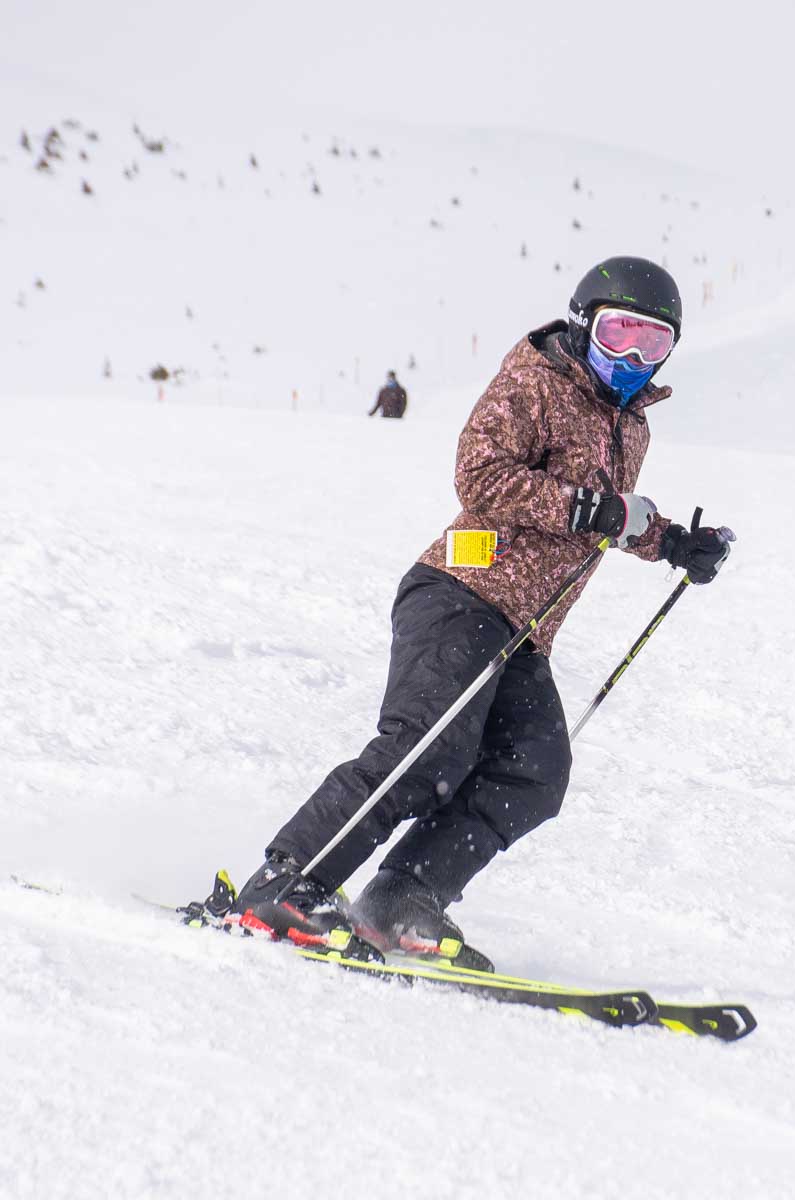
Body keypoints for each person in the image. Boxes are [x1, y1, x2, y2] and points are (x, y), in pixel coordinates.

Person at [228, 257, 732, 969]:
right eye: (619, 333)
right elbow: (480, 472)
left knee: (534, 772)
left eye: (651, 344)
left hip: (525, 630)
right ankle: (284, 882)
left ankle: (404, 898)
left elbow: (609, 518)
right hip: (459, 590)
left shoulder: (630, 427)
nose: (630, 357)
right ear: (584, 324)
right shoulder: (537, 379)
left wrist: (673, 541)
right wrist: (590, 508)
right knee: (425, 749)